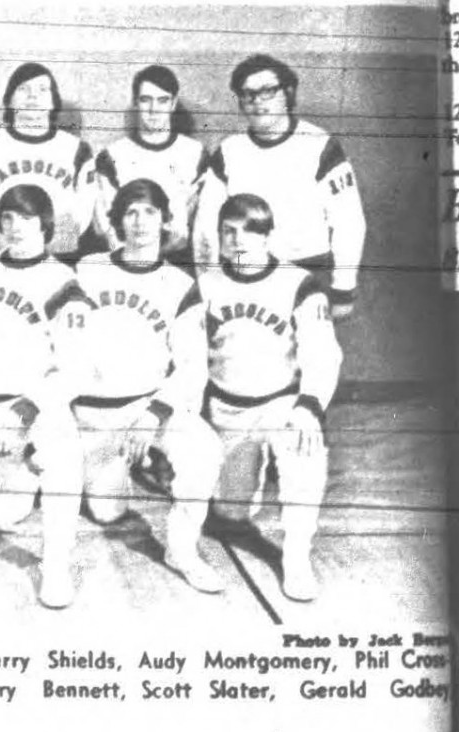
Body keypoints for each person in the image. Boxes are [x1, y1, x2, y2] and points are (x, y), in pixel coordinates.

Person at [71, 179, 224, 593]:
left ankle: (182, 550)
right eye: (131, 213)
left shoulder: (179, 285)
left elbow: (193, 367)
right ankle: (120, 468)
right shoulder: (87, 270)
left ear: (166, 221)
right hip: (92, 414)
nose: (140, 222)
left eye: (150, 212)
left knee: (205, 448)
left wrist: (154, 413)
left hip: (146, 409)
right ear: (117, 221)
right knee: (106, 512)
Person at [199, 193, 342, 601]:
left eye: (249, 231)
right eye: (228, 231)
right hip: (226, 408)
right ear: (219, 239)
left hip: (282, 403)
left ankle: (296, 558)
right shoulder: (205, 285)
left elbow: (323, 353)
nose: (238, 240)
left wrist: (310, 406)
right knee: (230, 517)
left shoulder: (299, 284)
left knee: (305, 447)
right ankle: (246, 485)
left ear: (268, 236)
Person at [0, 184, 92, 609]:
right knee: (5, 514)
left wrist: (30, 407)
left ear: (46, 225)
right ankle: (23, 468)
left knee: (64, 461)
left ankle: (54, 566)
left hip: (36, 403)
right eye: (8, 219)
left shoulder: (62, 279)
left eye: (28, 219)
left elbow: (77, 366)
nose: (16, 228)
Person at [194, 54, 366, 317]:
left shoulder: (319, 145)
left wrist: (343, 289)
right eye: (248, 94)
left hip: (309, 274)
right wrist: (209, 284)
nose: (258, 102)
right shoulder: (229, 151)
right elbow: (205, 228)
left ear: (288, 93)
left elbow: (349, 222)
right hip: (246, 278)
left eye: (268, 91)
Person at [0, 63, 96, 260]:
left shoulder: (77, 150)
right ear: (9, 100)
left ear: (53, 101)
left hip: (58, 257)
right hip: (3, 255)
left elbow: (83, 211)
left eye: (42, 89)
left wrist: (53, 244)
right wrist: (1, 241)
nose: (33, 96)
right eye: (23, 89)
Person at [94, 66, 207, 261]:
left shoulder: (196, 154)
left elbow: (202, 224)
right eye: (146, 100)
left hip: (179, 263)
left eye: (162, 101)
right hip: (127, 261)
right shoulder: (112, 156)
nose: (154, 110)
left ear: (173, 104)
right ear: (136, 102)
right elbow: (107, 228)